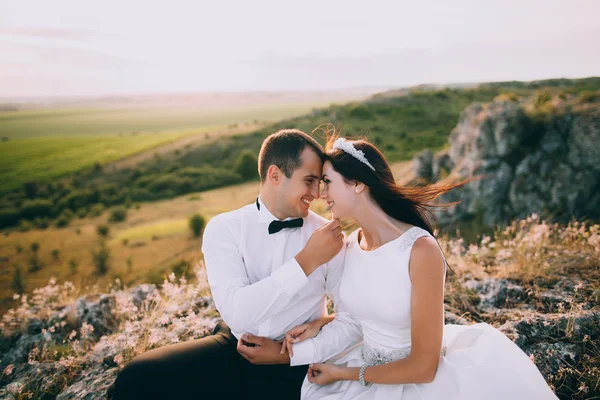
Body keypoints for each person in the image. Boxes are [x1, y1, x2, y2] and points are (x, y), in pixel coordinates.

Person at [284, 134, 558, 399]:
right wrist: (322, 322)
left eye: (328, 182)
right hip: (361, 364)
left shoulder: (419, 250)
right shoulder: (350, 246)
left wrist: (344, 374)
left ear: (357, 183)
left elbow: (425, 368)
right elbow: (369, 312)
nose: (321, 194)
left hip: (414, 381)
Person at [110, 129, 361, 400]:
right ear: (275, 175)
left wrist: (286, 353)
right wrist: (306, 262)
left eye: (320, 182)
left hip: (298, 362)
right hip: (235, 347)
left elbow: (351, 319)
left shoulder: (329, 236)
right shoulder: (225, 228)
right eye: (309, 181)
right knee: (136, 378)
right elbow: (237, 314)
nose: (317, 193)